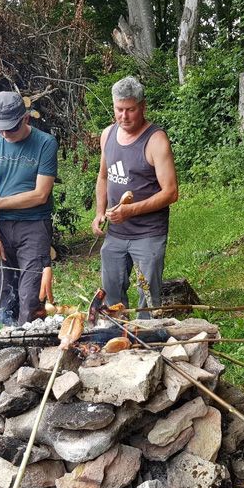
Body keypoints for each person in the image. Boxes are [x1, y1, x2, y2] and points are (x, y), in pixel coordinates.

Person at [91, 76, 178, 317]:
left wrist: (130, 210)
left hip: (148, 234)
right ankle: (116, 337)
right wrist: (100, 212)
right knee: (111, 294)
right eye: (119, 109)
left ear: (142, 107)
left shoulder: (155, 140)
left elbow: (171, 192)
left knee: (147, 296)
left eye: (130, 110)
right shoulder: (107, 135)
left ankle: (146, 340)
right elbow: (103, 177)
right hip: (116, 234)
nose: (124, 116)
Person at [0, 91, 58, 325]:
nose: (4, 134)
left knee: (30, 293)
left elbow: (40, 195)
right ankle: (7, 344)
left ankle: (31, 346)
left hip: (34, 226)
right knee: (3, 291)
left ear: (25, 119)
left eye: (9, 128)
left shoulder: (45, 143)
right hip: (1, 226)